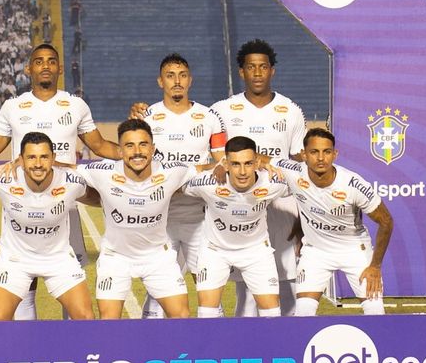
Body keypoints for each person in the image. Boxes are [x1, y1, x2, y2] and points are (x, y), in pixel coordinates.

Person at [0, 43, 120, 320]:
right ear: (28, 68)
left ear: (59, 68)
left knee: (70, 279)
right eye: (39, 61)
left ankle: (68, 351)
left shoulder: (76, 105)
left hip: (64, 202)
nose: (45, 65)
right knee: (24, 281)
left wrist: (134, 149)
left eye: (51, 61)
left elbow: (101, 146)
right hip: (22, 201)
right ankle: (27, 348)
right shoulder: (14, 106)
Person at [212, 39, 307, 316]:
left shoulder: (290, 111)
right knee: (247, 291)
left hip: (283, 210)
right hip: (242, 209)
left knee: (288, 284)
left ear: (272, 71)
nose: (257, 73)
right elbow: (214, 157)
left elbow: (299, 165)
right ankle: (249, 351)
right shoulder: (222, 111)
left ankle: (284, 352)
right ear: (241, 71)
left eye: (262, 67)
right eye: (250, 67)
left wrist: (302, 217)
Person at [130, 54, 226, 318]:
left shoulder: (209, 117)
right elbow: (136, 162)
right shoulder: (147, 117)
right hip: (161, 220)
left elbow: (222, 163)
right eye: (170, 76)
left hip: (200, 218)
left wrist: (199, 171)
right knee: (158, 291)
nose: (177, 81)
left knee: (208, 287)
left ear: (190, 80)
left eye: (182, 75)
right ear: (160, 81)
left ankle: (217, 348)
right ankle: (152, 351)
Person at [75, 118, 196, 319]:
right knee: (109, 323)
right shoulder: (102, 171)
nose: (137, 151)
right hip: (115, 258)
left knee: (182, 317)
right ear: (120, 151)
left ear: (153, 148)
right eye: (129, 146)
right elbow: (62, 170)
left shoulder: (173, 171)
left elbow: (207, 170)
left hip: (157, 257)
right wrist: (21, 162)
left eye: (143, 144)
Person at [274, 128, 394, 315]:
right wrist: (222, 164)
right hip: (316, 252)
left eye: (327, 152)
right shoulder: (293, 171)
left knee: (375, 312)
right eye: (314, 152)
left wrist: (375, 266)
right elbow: (259, 158)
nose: (321, 158)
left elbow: (386, 221)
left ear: (335, 154)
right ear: (304, 155)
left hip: (354, 250)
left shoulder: (354, 184)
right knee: (303, 312)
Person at [0, 133, 95, 320]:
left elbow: (98, 198)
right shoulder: (4, 179)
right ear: (20, 159)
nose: (37, 163)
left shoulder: (71, 182)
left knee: (85, 318)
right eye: (31, 157)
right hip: (15, 261)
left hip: (58, 260)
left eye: (44, 157)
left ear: (53, 158)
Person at [183, 136, 289, 317]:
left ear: (257, 162)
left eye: (248, 163)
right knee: (206, 313)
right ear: (226, 164)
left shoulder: (274, 182)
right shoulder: (208, 183)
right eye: (235, 164)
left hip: (256, 251)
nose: (242, 171)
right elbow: (175, 185)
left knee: (272, 315)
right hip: (215, 251)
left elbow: (307, 188)